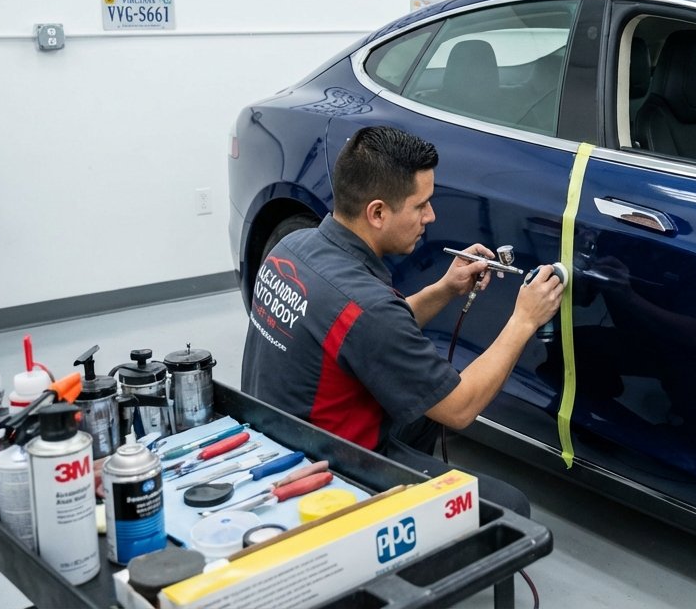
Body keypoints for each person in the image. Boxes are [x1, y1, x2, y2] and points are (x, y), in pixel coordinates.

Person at [240, 125, 563, 515]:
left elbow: (365, 335)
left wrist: (445, 288)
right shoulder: (367, 307)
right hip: (322, 470)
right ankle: (407, 531)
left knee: (425, 405)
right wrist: (524, 320)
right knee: (508, 507)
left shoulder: (292, 247)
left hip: (274, 438)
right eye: (420, 205)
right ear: (377, 212)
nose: (431, 215)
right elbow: (460, 408)